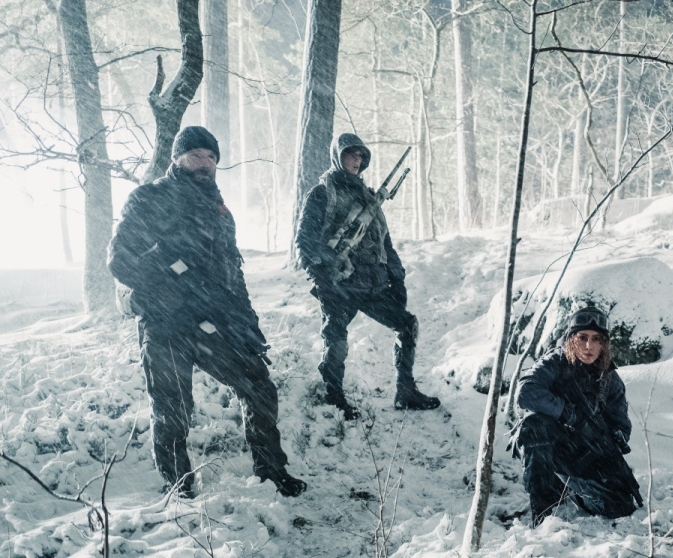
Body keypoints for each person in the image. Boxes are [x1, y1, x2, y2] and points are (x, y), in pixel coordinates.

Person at [108, 126, 306, 499]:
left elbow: (233, 272)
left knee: (259, 386)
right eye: (196, 155)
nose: (205, 163)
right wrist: (167, 290)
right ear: (178, 158)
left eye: (212, 157)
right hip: (166, 324)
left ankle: (271, 470)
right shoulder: (150, 199)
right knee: (173, 410)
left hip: (212, 322)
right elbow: (121, 260)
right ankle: (180, 490)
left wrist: (248, 327)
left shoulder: (219, 210)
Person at [295, 133, 439, 419]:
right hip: (339, 283)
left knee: (407, 326)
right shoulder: (323, 193)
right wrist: (320, 278)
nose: (356, 160)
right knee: (336, 340)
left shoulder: (369, 197)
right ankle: (335, 399)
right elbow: (304, 240)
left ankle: (405, 391)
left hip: (373, 285)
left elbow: (384, 241)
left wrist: (397, 278)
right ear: (338, 156)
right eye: (351, 154)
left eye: (361, 156)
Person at [511, 306, 643, 525]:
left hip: (587, 450)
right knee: (534, 425)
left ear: (604, 344)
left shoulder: (610, 379)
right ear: (571, 339)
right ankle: (543, 510)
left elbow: (622, 426)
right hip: (555, 443)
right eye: (582, 338)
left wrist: (612, 440)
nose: (589, 346)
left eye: (596, 339)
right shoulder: (555, 362)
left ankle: (569, 488)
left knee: (618, 507)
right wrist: (567, 414)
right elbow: (526, 393)